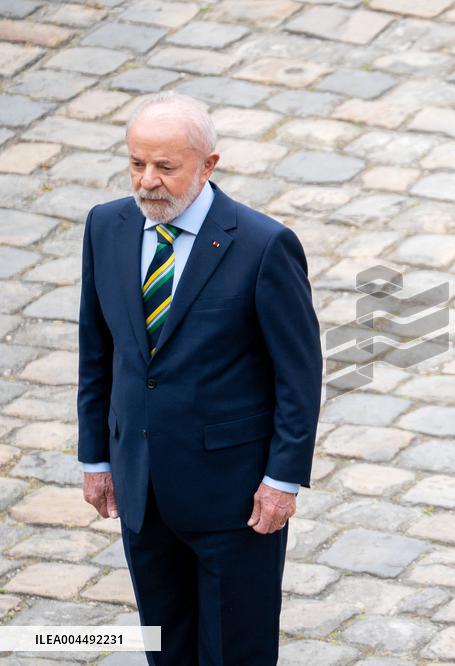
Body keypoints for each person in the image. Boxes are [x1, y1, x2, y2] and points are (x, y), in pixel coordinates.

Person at [77, 92, 322, 665]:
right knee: (165, 647)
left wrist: (282, 480)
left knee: (235, 651)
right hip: (141, 489)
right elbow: (97, 348)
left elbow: (299, 375)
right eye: (137, 163)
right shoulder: (106, 226)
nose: (147, 181)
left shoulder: (263, 247)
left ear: (208, 165)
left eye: (166, 167)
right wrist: (96, 458)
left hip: (233, 498)